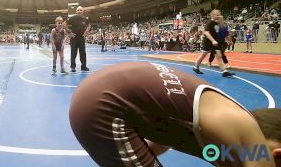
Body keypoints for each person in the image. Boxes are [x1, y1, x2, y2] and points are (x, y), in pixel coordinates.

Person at [69, 62, 281, 167]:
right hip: (105, 105)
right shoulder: (251, 142)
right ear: (277, 154)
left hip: (103, 94)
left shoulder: (222, 133)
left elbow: (177, 136)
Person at [193, 9, 234, 77]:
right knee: (204, 54)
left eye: (219, 14)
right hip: (208, 41)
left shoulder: (217, 23)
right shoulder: (210, 22)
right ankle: (196, 67)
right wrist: (212, 40)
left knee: (219, 55)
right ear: (213, 15)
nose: (219, 16)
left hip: (215, 42)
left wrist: (230, 40)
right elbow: (206, 32)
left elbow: (223, 29)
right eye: (217, 15)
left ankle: (224, 71)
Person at [64, 6, 90, 72]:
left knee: (83, 53)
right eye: (78, 10)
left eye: (80, 10)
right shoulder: (72, 18)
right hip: (74, 38)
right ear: (76, 11)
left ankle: (83, 66)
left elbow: (89, 25)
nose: (79, 11)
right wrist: (69, 32)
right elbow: (64, 24)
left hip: (82, 38)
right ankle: (73, 67)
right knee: (73, 53)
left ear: (83, 11)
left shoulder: (85, 19)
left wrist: (86, 31)